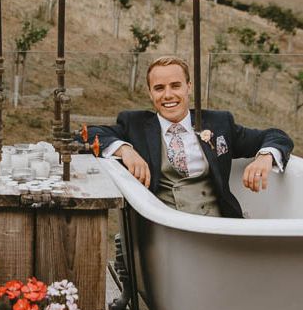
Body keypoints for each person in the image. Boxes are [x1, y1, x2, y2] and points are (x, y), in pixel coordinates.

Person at [89, 55, 293, 218]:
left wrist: (265, 157)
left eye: (175, 86)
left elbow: (278, 136)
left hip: (218, 226)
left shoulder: (219, 123)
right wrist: (126, 150)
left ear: (188, 87)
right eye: (159, 88)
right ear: (150, 93)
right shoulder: (135, 125)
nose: (168, 95)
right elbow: (88, 134)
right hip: (164, 226)